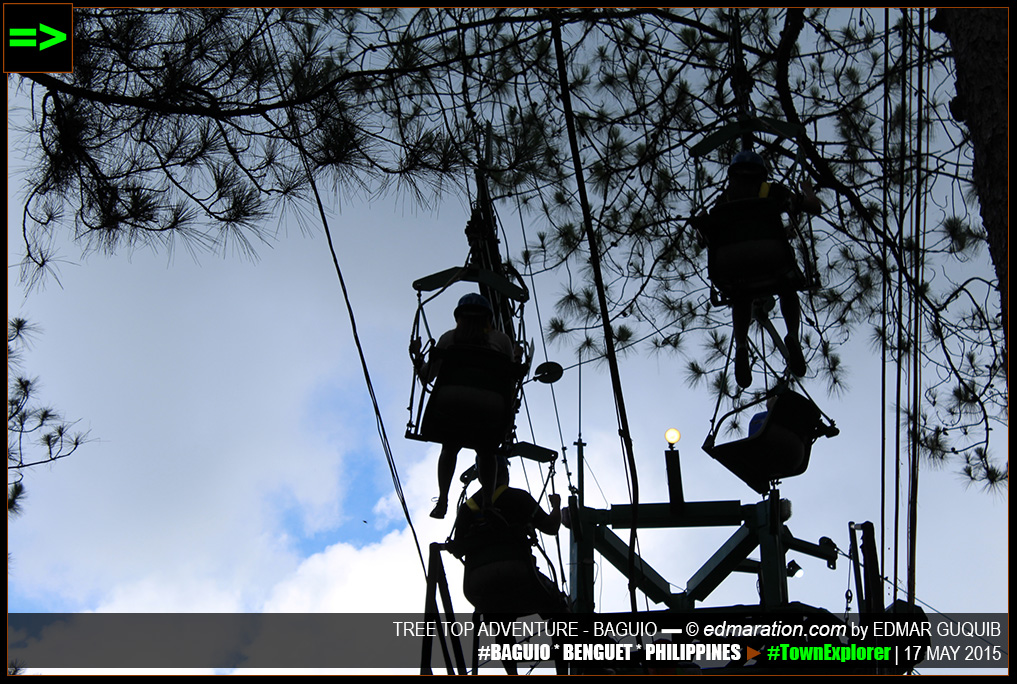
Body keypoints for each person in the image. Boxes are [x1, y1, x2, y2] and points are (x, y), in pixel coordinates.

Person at [714, 150, 822, 389]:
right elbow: (815, 207)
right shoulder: (772, 191)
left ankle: (741, 345)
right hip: (773, 260)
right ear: (762, 173)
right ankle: (792, 335)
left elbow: (707, 235)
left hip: (737, 266)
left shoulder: (725, 200)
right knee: (787, 286)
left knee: (741, 292)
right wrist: (808, 191)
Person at [451, 458, 568, 674]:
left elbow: (458, 548)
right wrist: (556, 507)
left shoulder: (467, 509)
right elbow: (551, 527)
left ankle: (511, 673)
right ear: (505, 473)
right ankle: (562, 670)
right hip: (520, 575)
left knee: (500, 621)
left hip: (479, 582)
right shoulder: (517, 497)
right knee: (560, 609)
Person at [411, 293, 518, 519]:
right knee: (487, 451)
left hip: (451, 403)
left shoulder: (449, 339)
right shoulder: (502, 341)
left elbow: (428, 376)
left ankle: (442, 500)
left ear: (459, 317)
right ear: (488, 318)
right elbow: (509, 381)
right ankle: (488, 502)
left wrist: (418, 360)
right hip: (490, 406)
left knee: (449, 447)